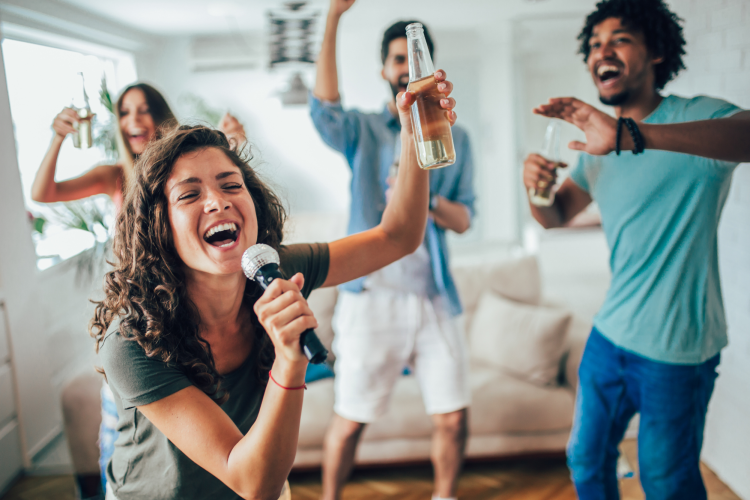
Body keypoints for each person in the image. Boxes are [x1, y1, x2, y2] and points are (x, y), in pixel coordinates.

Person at [92, 72, 458, 500]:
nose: (218, 200)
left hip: (260, 468)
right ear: (159, 227)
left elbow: (398, 236)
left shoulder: (272, 268)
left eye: (231, 185)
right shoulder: (132, 343)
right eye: (190, 195)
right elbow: (252, 483)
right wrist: (289, 361)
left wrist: (414, 131)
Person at [522, 0, 750, 498]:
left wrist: (632, 135)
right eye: (595, 43)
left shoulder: (693, 118)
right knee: (585, 460)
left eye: (619, 38)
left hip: (679, 350)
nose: (602, 50)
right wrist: (536, 190)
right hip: (610, 334)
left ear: (657, 52)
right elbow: (556, 216)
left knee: (667, 483)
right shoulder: (596, 149)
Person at [32, 83, 245, 500]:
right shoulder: (115, 177)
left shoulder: (182, 178)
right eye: (125, 112)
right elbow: (43, 193)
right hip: (135, 323)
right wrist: (58, 136)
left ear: (162, 116)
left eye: (144, 109)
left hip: (181, 319)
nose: (134, 120)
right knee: (120, 425)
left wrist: (233, 153)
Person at [310, 2, 475, 499]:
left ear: (427, 69)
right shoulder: (361, 130)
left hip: (433, 299)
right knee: (351, 420)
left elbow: (465, 219)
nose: (406, 67)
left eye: (413, 59)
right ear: (384, 69)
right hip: (370, 299)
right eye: (397, 59)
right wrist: (334, 17)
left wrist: (422, 198)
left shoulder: (455, 136)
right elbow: (323, 110)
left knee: (452, 417)